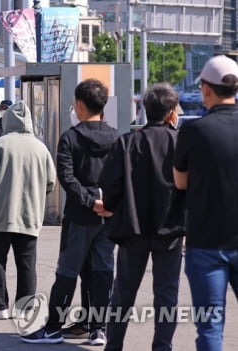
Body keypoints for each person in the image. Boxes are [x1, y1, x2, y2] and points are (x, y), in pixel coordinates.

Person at [23, 79, 119, 345]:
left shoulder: (70, 138)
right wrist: (107, 203)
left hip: (80, 216)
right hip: (109, 217)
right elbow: (124, 176)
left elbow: (66, 177)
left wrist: (89, 201)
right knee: (103, 271)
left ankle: (53, 327)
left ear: (79, 105)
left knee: (67, 271)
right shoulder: (117, 137)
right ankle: (99, 328)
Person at [98, 82, 183, 351]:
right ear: (171, 113)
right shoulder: (180, 143)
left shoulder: (127, 142)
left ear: (146, 110)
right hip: (170, 230)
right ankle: (162, 346)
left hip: (132, 228)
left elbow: (110, 183)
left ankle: (114, 345)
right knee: (166, 295)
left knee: (123, 293)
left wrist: (110, 206)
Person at [173, 55, 238, 351]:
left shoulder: (192, 130)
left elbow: (180, 182)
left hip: (205, 243)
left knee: (210, 326)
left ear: (207, 89)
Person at [0, 101, 56, 319]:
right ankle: (25, 309)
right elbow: (51, 181)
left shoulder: (0, 144)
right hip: (30, 214)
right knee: (26, 265)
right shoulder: (41, 148)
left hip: (0, 213)